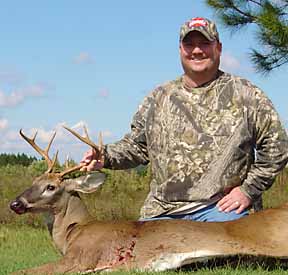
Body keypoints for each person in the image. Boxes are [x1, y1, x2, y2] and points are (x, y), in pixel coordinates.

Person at [80, 17, 288, 222]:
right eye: (189, 44)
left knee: (224, 255)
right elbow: (137, 147)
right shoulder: (158, 97)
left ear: (219, 48)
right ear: (180, 49)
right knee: (130, 254)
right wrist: (105, 156)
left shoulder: (246, 95)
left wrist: (248, 190)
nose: (197, 50)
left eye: (204, 43)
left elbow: (277, 147)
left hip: (221, 210)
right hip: (163, 212)